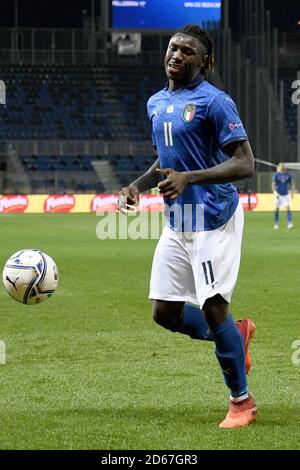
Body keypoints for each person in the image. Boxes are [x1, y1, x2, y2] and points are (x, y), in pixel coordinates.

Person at [118, 25, 256, 428]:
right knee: (165, 313)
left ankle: (242, 402)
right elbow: (166, 158)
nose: (177, 54)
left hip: (214, 218)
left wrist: (190, 178)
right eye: (173, 48)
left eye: (188, 51)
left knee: (214, 308)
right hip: (179, 220)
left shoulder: (216, 102)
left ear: (205, 62)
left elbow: (245, 163)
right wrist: (138, 186)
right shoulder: (156, 102)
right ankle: (236, 334)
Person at [272, 162, 295, 229]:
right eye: (281, 166)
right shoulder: (276, 175)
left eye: (283, 166)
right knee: (276, 208)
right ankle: (276, 224)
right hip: (278, 195)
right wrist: (274, 192)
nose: (282, 167)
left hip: (285, 195)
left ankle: (289, 223)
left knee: (288, 207)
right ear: (279, 167)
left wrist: (292, 192)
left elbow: (292, 183)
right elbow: (273, 184)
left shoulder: (287, 175)